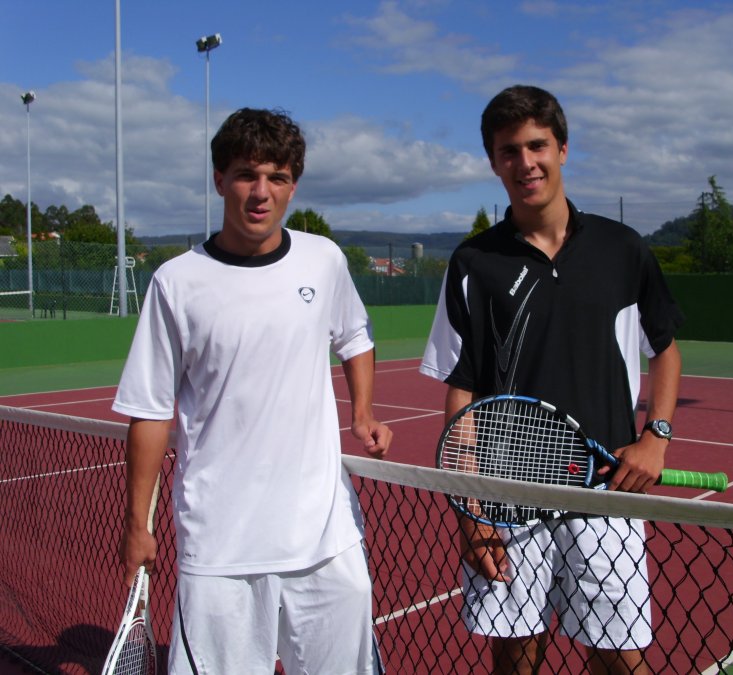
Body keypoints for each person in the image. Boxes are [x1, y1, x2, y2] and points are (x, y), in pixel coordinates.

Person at [113, 107, 392, 674]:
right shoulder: (176, 281)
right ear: (220, 180)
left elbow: (355, 337)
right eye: (246, 175)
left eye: (278, 177)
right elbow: (147, 411)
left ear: (294, 185)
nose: (261, 193)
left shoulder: (325, 259)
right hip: (220, 549)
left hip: (325, 540)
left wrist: (363, 412)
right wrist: (136, 526)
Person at [420, 85, 683, 674]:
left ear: (563, 149)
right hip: (507, 495)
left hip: (606, 492)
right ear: (493, 162)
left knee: (619, 660)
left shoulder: (623, 249)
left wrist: (656, 434)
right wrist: (471, 512)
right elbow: (461, 395)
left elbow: (665, 349)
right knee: (516, 660)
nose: (525, 163)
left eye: (536, 145)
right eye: (508, 151)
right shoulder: (472, 262)